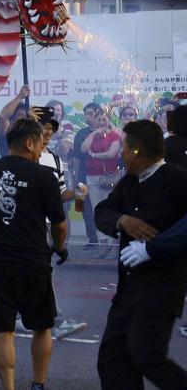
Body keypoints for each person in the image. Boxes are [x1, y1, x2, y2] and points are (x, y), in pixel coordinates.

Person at [0, 118, 68, 390]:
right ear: (29, 143)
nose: (40, 152)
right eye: (40, 145)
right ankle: (38, 385)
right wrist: (60, 247)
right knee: (42, 326)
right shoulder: (44, 177)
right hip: (33, 260)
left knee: (4, 331)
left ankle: (9, 388)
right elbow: (59, 224)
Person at [93, 120, 187, 390]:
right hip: (128, 289)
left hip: (161, 287)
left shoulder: (176, 179)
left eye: (123, 146)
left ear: (136, 150)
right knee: (113, 358)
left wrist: (154, 247)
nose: (120, 152)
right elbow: (102, 211)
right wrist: (122, 220)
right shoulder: (129, 182)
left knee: (147, 355)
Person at [34, 111, 89, 341]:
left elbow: (60, 194)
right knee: (42, 271)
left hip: (47, 223)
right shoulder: (23, 158)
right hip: (28, 224)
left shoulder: (55, 159)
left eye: (50, 128)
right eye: (42, 127)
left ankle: (24, 312)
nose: (47, 132)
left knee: (41, 271)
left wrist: (76, 193)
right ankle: (57, 319)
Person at [80, 104, 122, 258]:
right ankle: (102, 246)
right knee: (97, 212)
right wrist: (94, 134)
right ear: (95, 121)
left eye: (104, 119)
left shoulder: (115, 135)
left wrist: (94, 155)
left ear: (109, 120)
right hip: (92, 177)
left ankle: (114, 247)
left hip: (109, 178)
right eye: (99, 120)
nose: (102, 122)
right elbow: (83, 149)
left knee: (110, 212)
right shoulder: (91, 135)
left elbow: (112, 154)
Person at [71, 102, 104, 253]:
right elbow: (77, 157)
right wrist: (75, 178)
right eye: (86, 114)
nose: (88, 117)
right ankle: (92, 240)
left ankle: (105, 240)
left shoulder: (107, 132)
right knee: (83, 208)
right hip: (82, 178)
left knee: (101, 208)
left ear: (99, 114)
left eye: (91, 113)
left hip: (101, 178)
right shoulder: (80, 134)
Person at [0, 85, 30, 158]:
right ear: (12, 119)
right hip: (8, 167)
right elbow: (3, 117)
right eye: (20, 115)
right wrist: (20, 96)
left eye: (26, 117)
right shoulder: (8, 132)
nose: (23, 119)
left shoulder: (30, 135)